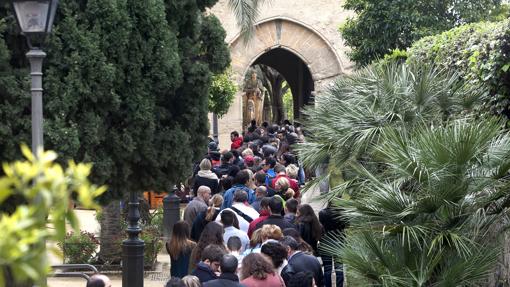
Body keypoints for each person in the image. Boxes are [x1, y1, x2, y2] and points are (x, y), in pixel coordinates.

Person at [319, 206, 348, 287]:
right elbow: (346, 225)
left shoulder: (322, 213)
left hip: (326, 241)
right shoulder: (342, 213)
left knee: (327, 269)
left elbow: (320, 226)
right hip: (339, 240)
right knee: (339, 268)